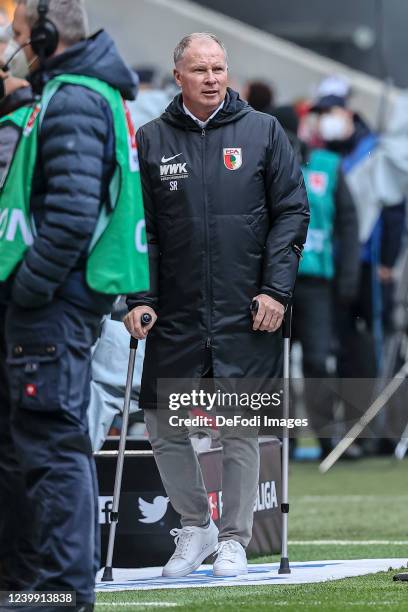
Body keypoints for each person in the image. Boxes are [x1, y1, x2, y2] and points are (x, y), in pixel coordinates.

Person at [125, 32, 309, 577]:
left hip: (245, 307)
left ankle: (233, 538)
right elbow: (143, 229)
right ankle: (196, 526)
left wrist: (276, 289)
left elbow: (292, 213)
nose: (211, 78)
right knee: (161, 421)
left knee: (237, 426)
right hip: (176, 310)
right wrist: (139, 296)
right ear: (177, 75)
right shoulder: (153, 139)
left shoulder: (263, 131)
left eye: (218, 68)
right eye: (199, 69)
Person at [0, 0, 142, 607]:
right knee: (49, 445)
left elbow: (70, 218)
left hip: (54, 305)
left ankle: (60, 594)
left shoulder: (75, 98)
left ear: (50, 35)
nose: (16, 45)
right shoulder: (78, 93)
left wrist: (30, 290)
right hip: (60, 302)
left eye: (23, 34)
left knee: (54, 448)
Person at [272, 104, 360, 458]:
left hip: (315, 284)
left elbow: (349, 225)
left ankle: (326, 437)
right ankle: (282, 441)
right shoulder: (264, 166)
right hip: (273, 282)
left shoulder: (328, 166)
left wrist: (348, 277)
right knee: (275, 364)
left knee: (318, 361)